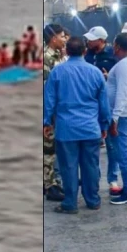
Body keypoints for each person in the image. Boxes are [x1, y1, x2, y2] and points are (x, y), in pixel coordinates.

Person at [43, 37, 111, 214]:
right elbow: (104, 103)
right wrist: (104, 125)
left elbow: (49, 100)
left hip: (66, 130)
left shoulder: (57, 72)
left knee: (68, 167)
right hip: (90, 128)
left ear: (67, 51)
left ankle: (70, 203)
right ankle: (93, 200)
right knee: (91, 166)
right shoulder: (96, 73)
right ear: (84, 51)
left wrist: (46, 122)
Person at [105, 32, 127, 205]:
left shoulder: (124, 65)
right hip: (126, 114)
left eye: (113, 44)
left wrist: (115, 118)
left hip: (123, 115)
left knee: (124, 155)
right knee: (123, 153)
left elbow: (122, 92)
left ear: (117, 46)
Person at [42, 24, 66, 202]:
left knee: (54, 150)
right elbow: (46, 89)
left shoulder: (57, 56)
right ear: (53, 38)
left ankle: (53, 181)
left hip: (57, 110)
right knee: (48, 150)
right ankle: (49, 186)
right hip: (49, 111)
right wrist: (48, 116)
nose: (64, 39)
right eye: (62, 36)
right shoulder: (46, 58)